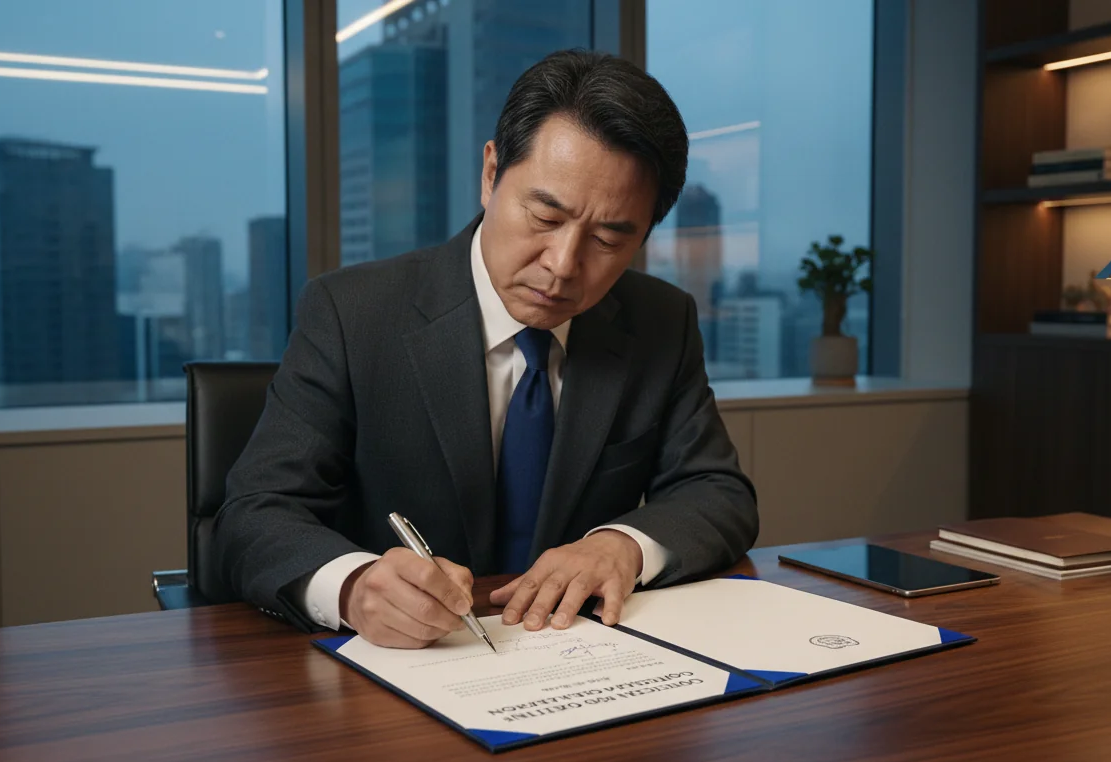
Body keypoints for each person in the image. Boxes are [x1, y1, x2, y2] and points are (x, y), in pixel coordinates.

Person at [213, 49, 758, 648]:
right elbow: (253, 515)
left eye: (607, 238)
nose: (563, 266)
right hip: (405, 673)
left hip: (580, 662)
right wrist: (354, 585)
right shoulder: (353, 314)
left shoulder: (660, 319)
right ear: (491, 173)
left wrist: (620, 546)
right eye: (545, 217)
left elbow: (718, 492)